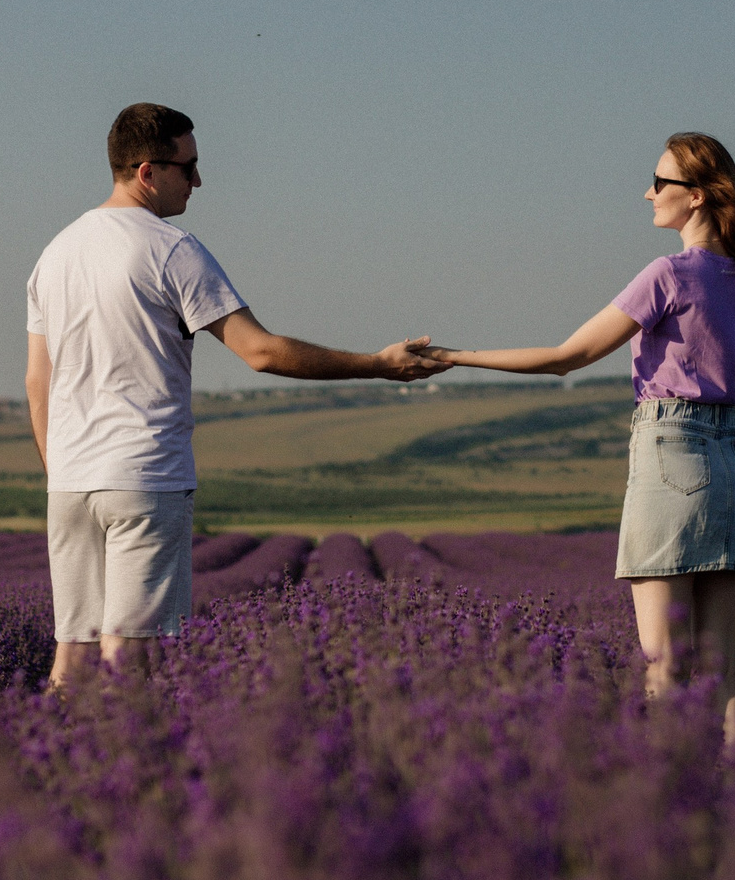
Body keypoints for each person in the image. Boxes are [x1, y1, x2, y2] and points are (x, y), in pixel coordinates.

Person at [27, 103, 449, 690]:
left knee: (71, 662)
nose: (198, 182)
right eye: (188, 167)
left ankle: (43, 775)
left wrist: (63, 472)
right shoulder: (171, 249)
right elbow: (262, 352)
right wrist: (376, 364)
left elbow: (36, 382)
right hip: (145, 477)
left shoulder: (55, 254)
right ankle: (131, 777)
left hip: (70, 485)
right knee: (132, 662)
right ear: (148, 171)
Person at [428, 132, 735, 741]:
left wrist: (456, 356)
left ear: (698, 197)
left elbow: (564, 357)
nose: (647, 192)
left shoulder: (668, 276)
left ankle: (666, 813)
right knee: (727, 672)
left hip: (673, 458)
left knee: (665, 669)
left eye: (661, 183)